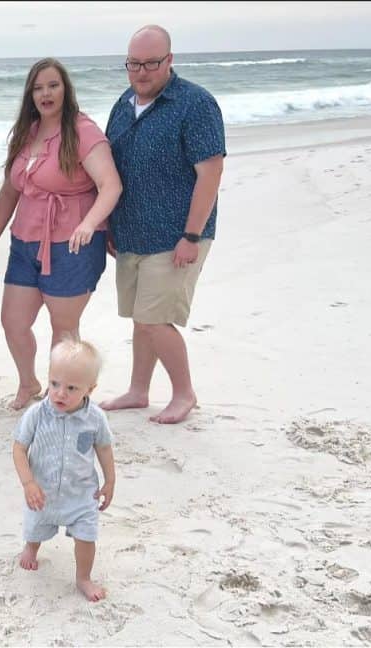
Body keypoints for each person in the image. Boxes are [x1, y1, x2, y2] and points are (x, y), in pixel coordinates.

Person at [100, 25, 226, 425]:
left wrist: (191, 236)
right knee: (141, 317)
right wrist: (109, 225)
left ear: (170, 60)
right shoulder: (123, 103)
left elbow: (210, 174)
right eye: (134, 64)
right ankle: (139, 391)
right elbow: (110, 167)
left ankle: (184, 393)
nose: (141, 72)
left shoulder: (196, 104)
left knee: (156, 319)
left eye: (151, 63)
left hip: (177, 236)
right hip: (132, 232)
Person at [0, 58, 122, 411]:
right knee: (13, 322)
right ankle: (28, 382)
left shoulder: (82, 130)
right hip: (25, 241)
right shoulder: (26, 133)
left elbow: (110, 185)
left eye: (53, 85)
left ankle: (61, 394)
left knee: (63, 328)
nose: (46, 93)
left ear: (66, 89)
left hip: (71, 245)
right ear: (30, 93)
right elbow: (9, 192)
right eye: (38, 87)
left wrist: (89, 223)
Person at [12, 335, 116, 602]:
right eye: (54, 383)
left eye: (71, 388)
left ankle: (83, 577)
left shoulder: (95, 418)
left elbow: (104, 448)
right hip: (42, 491)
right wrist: (28, 483)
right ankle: (31, 549)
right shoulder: (36, 414)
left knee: (86, 536)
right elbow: (19, 448)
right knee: (36, 526)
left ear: (89, 389)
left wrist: (110, 481)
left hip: (81, 493)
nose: (60, 393)